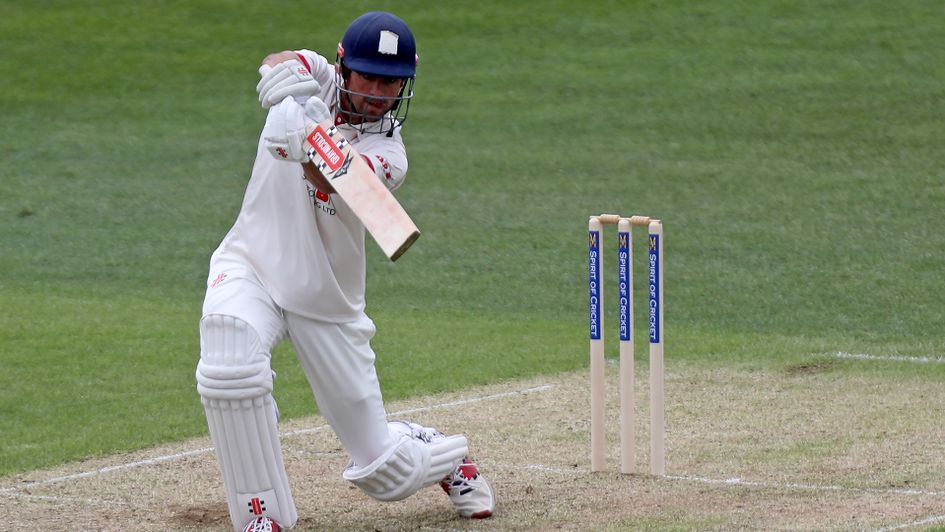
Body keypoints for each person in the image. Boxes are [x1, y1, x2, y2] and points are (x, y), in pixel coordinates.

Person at [194, 12, 495, 532]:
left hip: (325, 298)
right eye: (367, 77)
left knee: (386, 475)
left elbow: (330, 178)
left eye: (390, 82)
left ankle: (439, 454)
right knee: (228, 361)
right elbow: (280, 60)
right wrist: (285, 84)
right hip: (252, 262)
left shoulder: (389, 155)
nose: (377, 93)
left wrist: (304, 135)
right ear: (343, 66)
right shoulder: (320, 80)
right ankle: (261, 517)